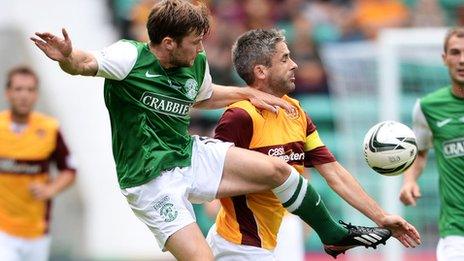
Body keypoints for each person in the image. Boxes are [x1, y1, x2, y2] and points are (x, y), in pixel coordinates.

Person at [30, 1, 420, 260]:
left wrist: (250, 92)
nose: (201, 49)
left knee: (278, 171)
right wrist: (66, 57)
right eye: (195, 42)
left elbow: (206, 96)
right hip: (149, 182)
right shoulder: (129, 56)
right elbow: (85, 63)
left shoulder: (194, 66)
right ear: (168, 42)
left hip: (186, 155)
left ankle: (332, 233)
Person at [205, 28, 420, 260]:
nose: (295, 64)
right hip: (236, 245)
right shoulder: (240, 116)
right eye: (285, 58)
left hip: (270, 243)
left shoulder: (296, 112)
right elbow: (215, 176)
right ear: (261, 71)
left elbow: (334, 172)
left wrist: (381, 217)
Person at [399, 27, 464, 261]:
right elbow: (420, 151)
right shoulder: (428, 107)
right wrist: (409, 181)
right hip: (457, 231)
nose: (462, 60)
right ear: (444, 59)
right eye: (455, 53)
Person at [0, 66, 76, 261]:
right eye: (18, 89)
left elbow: (69, 169)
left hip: (37, 232)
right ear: (8, 93)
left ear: (36, 94)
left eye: (30, 89)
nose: (24, 95)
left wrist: (51, 189)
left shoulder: (49, 129)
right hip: (3, 232)